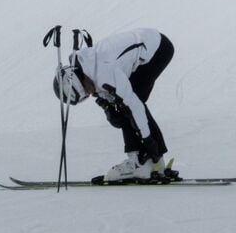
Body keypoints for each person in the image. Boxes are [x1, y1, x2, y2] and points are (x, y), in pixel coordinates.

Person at [53, 27, 178, 181]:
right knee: (124, 107)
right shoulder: (88, 67)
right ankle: (148, 162)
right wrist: (108, 107)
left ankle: (144, 162)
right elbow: (113, 101)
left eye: (84, 93)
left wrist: (148, 140)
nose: (89, 95)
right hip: (147, 46)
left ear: (79, 83)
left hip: (158, 49)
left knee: (132, 103)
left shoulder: (104, 72)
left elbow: (134, 106)